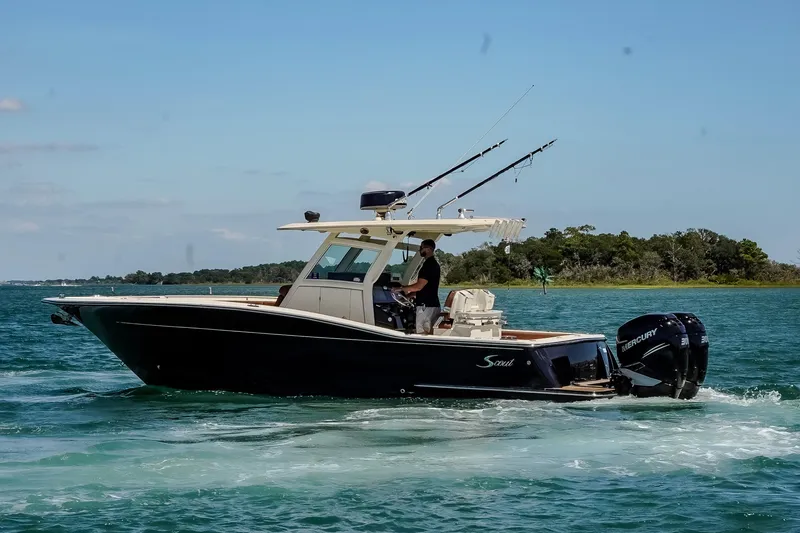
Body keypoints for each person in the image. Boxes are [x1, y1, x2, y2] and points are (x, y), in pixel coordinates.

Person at [393, 239, 441, 334]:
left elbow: (419, 286)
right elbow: (426, 288)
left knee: (422, 333)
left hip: (425, 307)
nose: (419, 250)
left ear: (428, 249)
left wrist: (400, 288)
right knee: (429, 333)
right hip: (433, 305)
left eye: (421, 247)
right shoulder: (434, 264)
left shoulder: (428, 266)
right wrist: (409, 295)